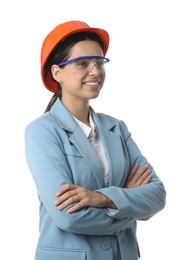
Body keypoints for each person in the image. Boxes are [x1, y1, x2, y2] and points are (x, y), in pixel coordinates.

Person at [24, 20, 166, 260]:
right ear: (57, 72)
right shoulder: (41, 132)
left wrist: (102, 198)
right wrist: (127, 201)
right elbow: (68, 215)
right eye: (82, 64)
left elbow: (157, 194)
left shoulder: (116, 128)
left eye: (100, 62)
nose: (96, 71)